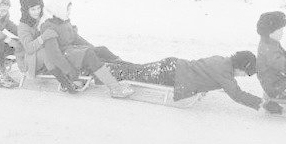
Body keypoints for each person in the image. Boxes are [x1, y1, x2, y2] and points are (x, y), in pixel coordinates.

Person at [107, 51, 276, 111]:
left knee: (136, 70)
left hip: (172, 66)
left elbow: (204, 72)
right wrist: (263, 104)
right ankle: (101, 69)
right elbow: (237, 94)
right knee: (131, 74)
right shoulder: (225, 73)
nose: (241, 76)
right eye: (245, 73)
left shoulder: (221, 60)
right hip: (170, 74)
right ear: (240, 67)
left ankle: (107, 63)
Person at [38, 0, 134, 98]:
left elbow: (76, 38)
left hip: (71, 52)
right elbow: (54, 55)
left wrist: (94, 49)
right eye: (67, 10)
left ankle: (127, 68)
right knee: (88, 54)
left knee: (101, 50)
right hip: (64, 57)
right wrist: (69, 71)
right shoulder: (48, 27)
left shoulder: (64, 22)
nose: (69, 13)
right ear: (58, 10)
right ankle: (115, 88)